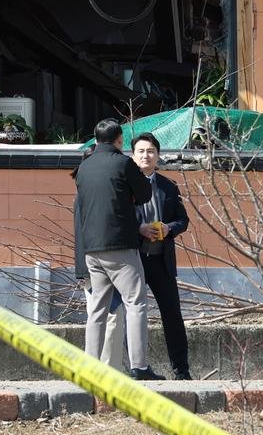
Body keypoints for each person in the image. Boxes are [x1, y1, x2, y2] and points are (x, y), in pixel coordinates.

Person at [73, 118, 162, 381]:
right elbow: (145, 194)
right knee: (136, 303)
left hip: (91, 249)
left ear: (96, 139)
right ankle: (140, 366)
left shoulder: (84, 167)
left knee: (98, 308)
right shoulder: (123, 163)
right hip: (120, 246)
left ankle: (90, 365)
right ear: (120, 140)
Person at [129, 132, 193, 379]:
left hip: (162, 260)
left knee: (172, 315)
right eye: (141, 151)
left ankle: (182, 370)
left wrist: (168, 228)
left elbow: (183, 220)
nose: (146, 155)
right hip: (132, 260)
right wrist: (139, 229)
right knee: (132, 313)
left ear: (158, 155)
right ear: (133, 156)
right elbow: (118, 219)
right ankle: (136, 367)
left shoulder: (168, 185)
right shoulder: (124, 184)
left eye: (151, 151)